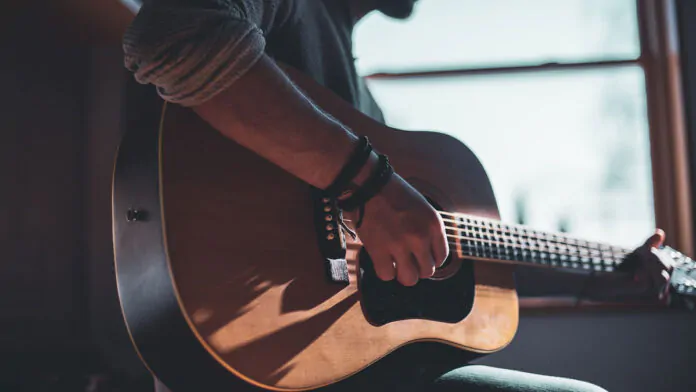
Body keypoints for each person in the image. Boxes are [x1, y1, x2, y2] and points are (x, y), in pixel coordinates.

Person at [122, 1, 672, 391]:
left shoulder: (364, 108)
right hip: (253, 360)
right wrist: (368, 187)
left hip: (347, 368)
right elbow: (176, 31)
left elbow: (465, 258)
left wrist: (612, 267)